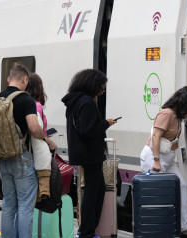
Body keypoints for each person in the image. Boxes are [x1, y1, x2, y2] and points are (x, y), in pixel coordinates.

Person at [61, 69, 117, 238]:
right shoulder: (87, 102)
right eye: (101, 88)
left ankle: (89, 229)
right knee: (92, 193)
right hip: (90, 153)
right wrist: (105, 124)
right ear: (93, 85)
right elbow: (88, 130)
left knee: (97, 190)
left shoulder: (75, 100)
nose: (102, 91)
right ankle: (86, 232)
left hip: (83, 151)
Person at [140, 86, 187, 233]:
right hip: (154, 157)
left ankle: (183, 224)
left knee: (181, 185)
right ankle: (156, 227)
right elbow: (155, 136)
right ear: (182, 103)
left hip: (168, 159)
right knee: (158, 193)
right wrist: (156, 160)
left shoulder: (177, 115)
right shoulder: (166, 114)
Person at [0, 65, 45, 238]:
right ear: (25, 80)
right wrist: (45, 139)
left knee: (8, 205)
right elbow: (34, 128)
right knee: (25, 206)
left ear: (9, 79)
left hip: (2, 158)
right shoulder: (26, 100)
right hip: (22, 160)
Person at [26, 73, 57, 201]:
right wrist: (46, 139)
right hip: (36, 151)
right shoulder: (36, 105)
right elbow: (34, 127)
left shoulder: (23, 102)